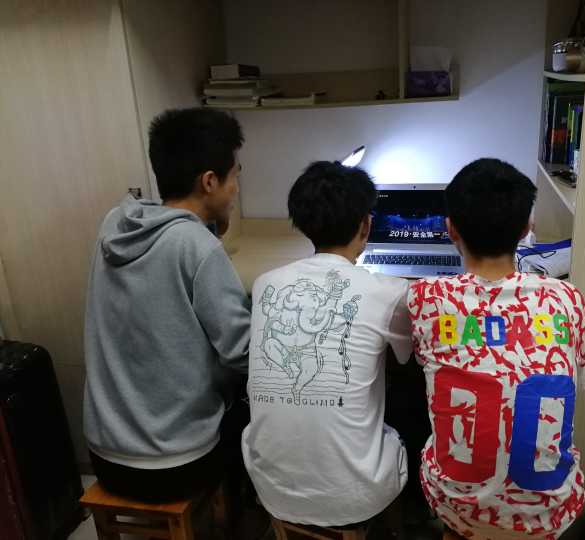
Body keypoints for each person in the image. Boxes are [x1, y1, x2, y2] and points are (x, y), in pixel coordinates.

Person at [408, 158, 585, 539]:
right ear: (527, 228)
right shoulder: (569, 298)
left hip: (459, 510)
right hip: (549, 517)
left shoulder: (424, 297)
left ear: (450, 229)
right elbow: (583, 381)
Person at [83, 108, 251, 502]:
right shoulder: (196, 246)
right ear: (209, 181)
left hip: (104, 456)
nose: (236, 189)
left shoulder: (115, 225)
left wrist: (210, 228)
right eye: (235, 176)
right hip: (176, 465)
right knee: (257, 406)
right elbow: (241, 352)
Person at [242, 161, 412, 526]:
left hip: (271, 491)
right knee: (405, 395)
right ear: (365, 225)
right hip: (357, 499)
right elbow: (406, 355)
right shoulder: (390, 292)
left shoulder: (265, 283)